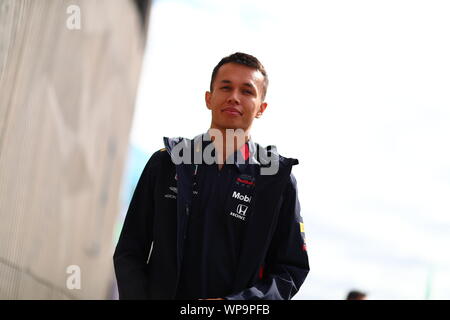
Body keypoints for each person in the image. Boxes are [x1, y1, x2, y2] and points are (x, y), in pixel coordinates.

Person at [113, 52, 309, 300]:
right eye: (225, 87)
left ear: (261, 108)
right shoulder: (167, 162)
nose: (234, 97)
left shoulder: (276, 180)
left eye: (247, 91)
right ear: (209, 98)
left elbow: (291, 270)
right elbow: (130, 250)